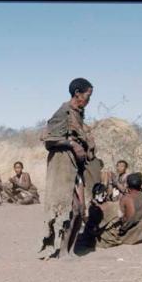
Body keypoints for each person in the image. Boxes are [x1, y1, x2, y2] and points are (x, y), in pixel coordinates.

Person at [38, 77, 95, 259]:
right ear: (77, 93)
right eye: (87, 95)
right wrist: (71, 144)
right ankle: (63, 251)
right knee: (70, 209)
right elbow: (48, 139)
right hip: (63, 166)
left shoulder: (78, 113)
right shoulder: (63, 112)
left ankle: (68, 249)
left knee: (79, 209)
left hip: (76, 167)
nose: (88, 100)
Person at [97, 173, 142, 247]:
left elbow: (130, 217)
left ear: (127, 184)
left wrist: (122, 228)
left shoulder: (126, 198)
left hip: (137, 233)